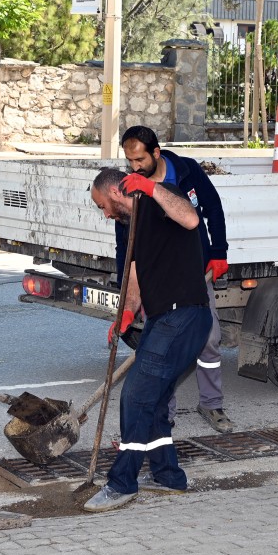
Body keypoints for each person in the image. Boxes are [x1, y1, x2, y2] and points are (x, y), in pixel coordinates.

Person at [84, 166, 213, 513]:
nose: (106, 214)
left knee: (136, 397)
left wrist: (151, 187)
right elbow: (137, 275)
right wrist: (126, 313)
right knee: (153, 401)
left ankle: (121, 484)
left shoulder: (162, 199)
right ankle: (168, 476)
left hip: (184, 315)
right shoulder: (135, 226)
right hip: (163, 318)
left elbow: (190, 220)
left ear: (114, 193)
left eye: (103, 206)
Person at [115, 125, 234, 433]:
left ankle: (211, 404)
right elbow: (124, 245)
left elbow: (213, 208)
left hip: (195, 271)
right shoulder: (131, 188)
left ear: (156, 152)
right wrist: (127, 297)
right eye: (129, 161)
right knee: (161, 347)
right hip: (156, 280)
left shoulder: (185, 171)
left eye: (140, 160)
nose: (134, 167)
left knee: (208, 339)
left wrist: (219, 251)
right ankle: (163, 415)